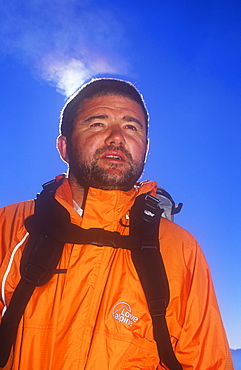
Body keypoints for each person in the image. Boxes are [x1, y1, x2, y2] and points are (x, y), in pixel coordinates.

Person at [0, 78, 233, 369]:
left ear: (145, 149)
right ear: (64, 147)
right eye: (97, 123)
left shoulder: (179, 250)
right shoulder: (11, 226)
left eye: (131, 127)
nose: (116, 137)